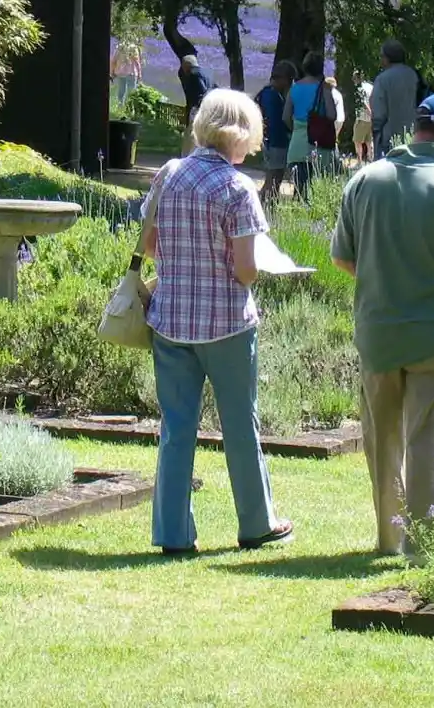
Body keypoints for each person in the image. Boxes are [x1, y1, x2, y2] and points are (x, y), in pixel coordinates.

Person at [330, 92, 434, 560]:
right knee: (433, 439)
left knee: (383, 440)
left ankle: (390, 540)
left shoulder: (365, 180)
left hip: (378, 332)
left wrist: (388, 279)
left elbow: (343, 257)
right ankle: (427, 547)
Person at [138, 89, 294, 555]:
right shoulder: (237, 188)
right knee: (240, 426)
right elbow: (246, 269)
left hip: (170, 319)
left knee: (176, 427)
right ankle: (256, 523)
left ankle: (172, 533)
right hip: (227, 323)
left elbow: (149, 244)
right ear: (242, 134)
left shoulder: (168, 174)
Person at [283, 52, 333, 199]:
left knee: (299, 191)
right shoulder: (324, 88)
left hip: (297, 145)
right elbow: (332, 115)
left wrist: (296, 130)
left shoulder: (294, 88)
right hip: (319, 145)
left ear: (304, 68)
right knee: (317, 194)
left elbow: (285, 117)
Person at [369, 40, 422, 160]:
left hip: (390, 137)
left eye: (382, 56)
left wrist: (377, 134)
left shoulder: (383, 79)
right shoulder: (414, 75)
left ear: (387, 58)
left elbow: (379, 111)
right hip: (414, 136)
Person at [258, 61, 297, 202]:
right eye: (290, 80)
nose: (291, 84)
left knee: (272, 177)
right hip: (276, 142)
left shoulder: (266, 92)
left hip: (269, 140)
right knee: (274, 178)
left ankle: (267, 204)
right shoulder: (274, 96)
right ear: (284, 79)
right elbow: (278, 121)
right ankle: (267, 206)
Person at [178, 54, 217, 155]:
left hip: (198, 109)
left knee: (191, 136)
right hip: (209, 109)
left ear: (186, 65)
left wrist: (197, 107)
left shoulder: (193, 74)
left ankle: (186, 160)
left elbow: (201, 92)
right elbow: (216, 89)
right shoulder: (208, 73)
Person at [353, 73, 375, 163]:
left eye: (354, 78)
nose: (353, 80)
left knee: (357, 141)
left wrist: (370, 113)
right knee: (369, 141)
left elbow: (364, 102)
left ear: (358, 79)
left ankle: (359, 162)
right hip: (371, 120)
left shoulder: (359, 88)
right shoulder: (371, 86)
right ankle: (370, 158)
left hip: (362, 118)